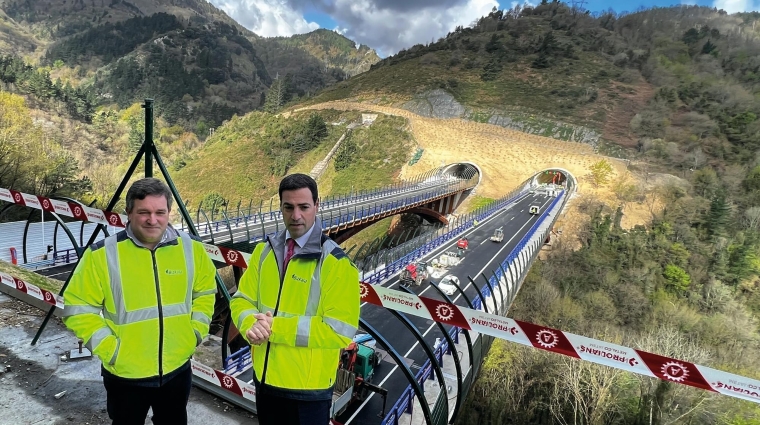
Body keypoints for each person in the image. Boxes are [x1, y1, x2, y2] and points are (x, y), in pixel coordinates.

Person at [62, 178, 217, 425]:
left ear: (169, 212)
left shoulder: (192, 249)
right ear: (129, 213)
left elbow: (205, 292)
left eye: (160, 212)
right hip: (125, 375)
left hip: (177, 369)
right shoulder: (103, 254)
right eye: (143, 212)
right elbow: (77, 308)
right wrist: (111, 351)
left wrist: (195, 333)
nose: (152, 220)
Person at [230, 173, 360, 425]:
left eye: (303, 207)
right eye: (288, 207)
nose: (296, 215)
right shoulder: (264, 251)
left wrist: (272, 328)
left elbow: (340, 331)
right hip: (265, 381)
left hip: (307, 391)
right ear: (280, 207)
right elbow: (241, 299)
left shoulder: (336, 264)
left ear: (317, 206)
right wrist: (248, 324)